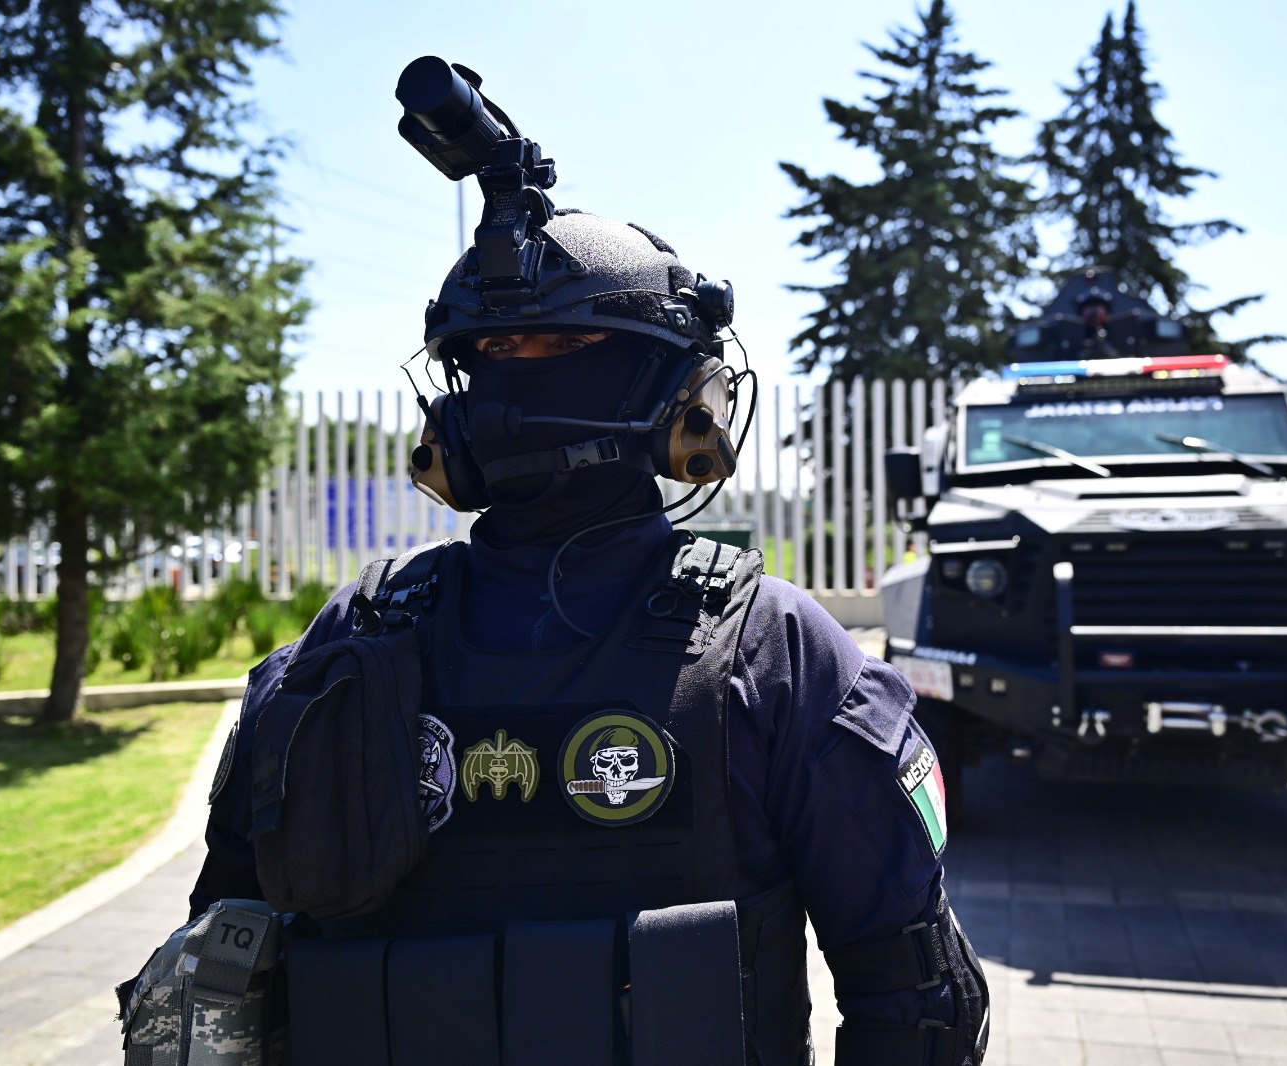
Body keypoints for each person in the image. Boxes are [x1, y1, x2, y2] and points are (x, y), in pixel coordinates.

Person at [186, 61, 989, 1066]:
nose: (520, 379)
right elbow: (218, 974)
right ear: (691, 405)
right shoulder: (778, 655)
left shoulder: (769, 653)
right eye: (497, 353)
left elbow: (914, 999)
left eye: (559, 343)